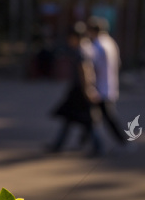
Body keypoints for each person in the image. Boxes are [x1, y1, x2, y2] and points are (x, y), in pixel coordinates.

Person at [48, 23, 103, 156]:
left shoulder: (80, 51)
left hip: (80, 91)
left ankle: (98, 147)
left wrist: (88, 89)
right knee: (69, 119)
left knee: (86, 122)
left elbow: (85, 71)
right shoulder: (86, 48)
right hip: (79, 90)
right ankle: (58, 144)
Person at [86, 17, 130, 147]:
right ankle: (89, 141)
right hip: (110, 84)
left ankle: (122, 141)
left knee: (107, 117)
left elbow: (93, 67)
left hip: (100, 87)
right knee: (95, 116)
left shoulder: (97, 45)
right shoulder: (110, 42)